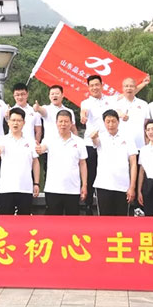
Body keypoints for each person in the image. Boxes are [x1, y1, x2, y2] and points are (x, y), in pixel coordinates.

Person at [37, 109, 88, 215]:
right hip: (53, 189)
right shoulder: (49, 139)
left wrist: (84, 185)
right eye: (60, 121)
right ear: (56, 123)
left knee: (72, 221)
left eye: (66, 121)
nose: (63, 124)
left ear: (71, 123)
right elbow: (42, 148)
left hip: (73, 189)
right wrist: (39, 149)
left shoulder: (79, 142)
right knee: (53, 222)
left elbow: (83, 164)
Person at [91, 109, 138, 216]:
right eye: (108, 122)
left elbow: (133, 163)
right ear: (104, 123)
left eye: (113, 121)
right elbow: (95, 142)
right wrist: (93, 137)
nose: (111, 124)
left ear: (118, 122)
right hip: (103, 185)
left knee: (121, 219)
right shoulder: (100, 137)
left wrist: (132, 187)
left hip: (123, 186)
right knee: (104, 220)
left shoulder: (127, 138)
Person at [0, 108, 40, 215]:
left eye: (19, 120)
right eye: (13, 120)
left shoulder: (30, 141)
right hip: (7, 188)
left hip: (25, 188)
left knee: (24, 221)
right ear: (8, 122)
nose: (16, 123)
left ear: (23, 122)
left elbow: (35, 162)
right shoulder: (2, 140)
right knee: (6, 221)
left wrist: (36, 183)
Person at [80, 75, 113, 213]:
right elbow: (83, 112)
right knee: (91, 173)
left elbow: (127, 94)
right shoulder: (86, 103)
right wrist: (83, 116)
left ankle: (107, 201)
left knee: (106, 171)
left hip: (107, 143)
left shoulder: (110, 100)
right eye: (91, 85)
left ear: (102, 85)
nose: (94, 87)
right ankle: (88, 204)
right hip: (90, 143)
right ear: (88, 87)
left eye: (96, 84)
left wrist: (143, 83)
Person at [115, 77, 150, 150]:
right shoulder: (116, 103)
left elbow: (147, 124)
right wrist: (120, 114)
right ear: (122, 88)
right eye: (126, 86)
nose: (129, 88)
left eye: (131, 86)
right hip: (121, 145)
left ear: (135, 88)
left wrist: (147, 142)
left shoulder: (143, 104)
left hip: (140, 145)